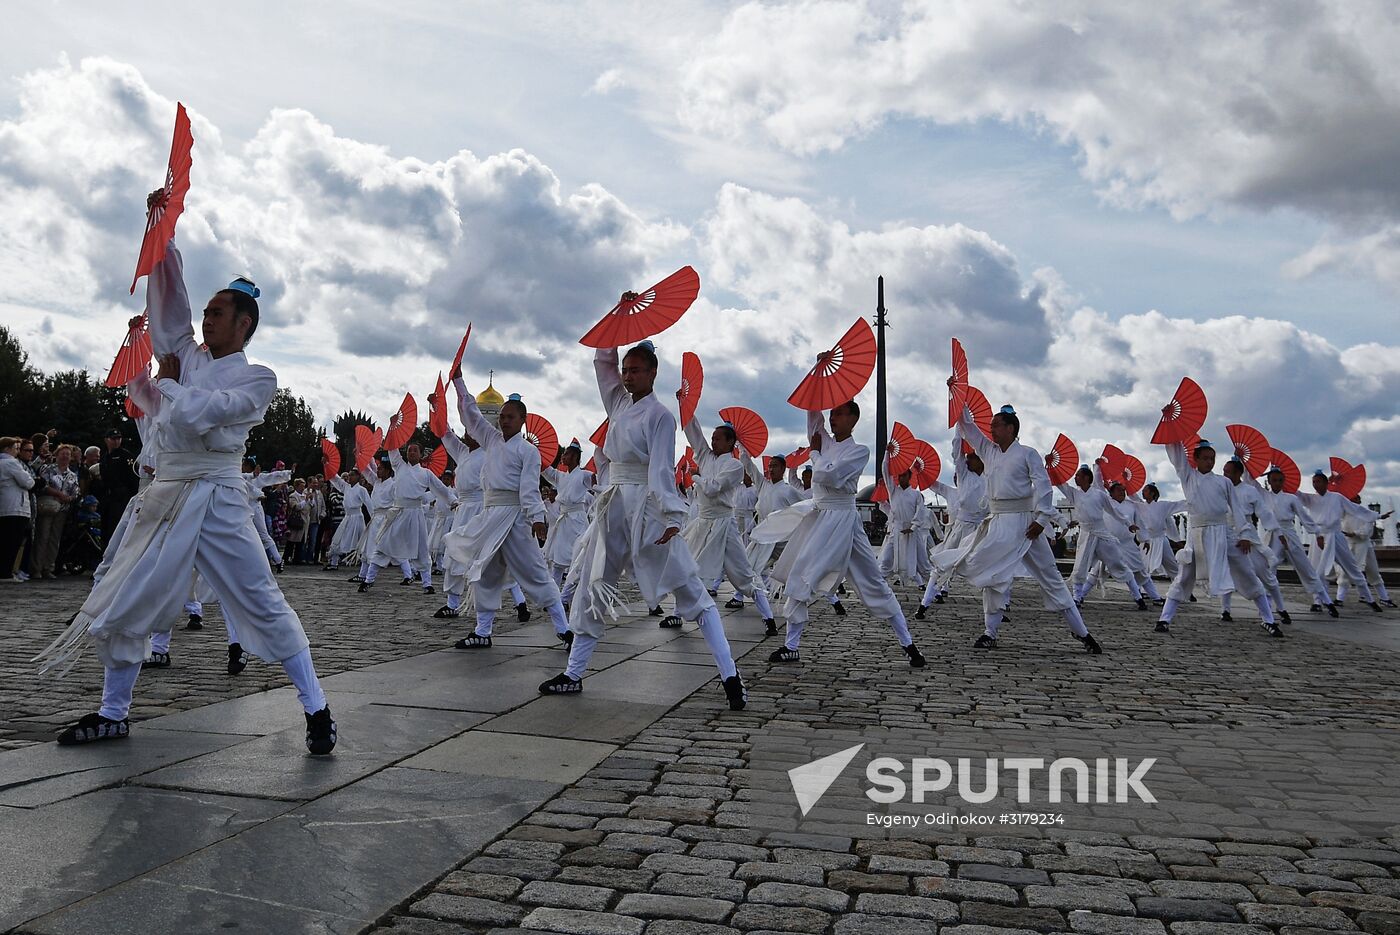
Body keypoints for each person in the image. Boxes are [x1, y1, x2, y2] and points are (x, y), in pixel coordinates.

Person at [39, 215, 335, 755]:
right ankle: (113, 712)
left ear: (244, 324)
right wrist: (164, 243)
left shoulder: (257, 377)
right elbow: (169, 315)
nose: (207, 320)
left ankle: (316, 706)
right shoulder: (189, 356)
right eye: (207, 312)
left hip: (219, 500)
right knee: (125, 594)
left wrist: (170, 384)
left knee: (262, 600)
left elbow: (203, 413)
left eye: (218, 313)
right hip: (166, 493)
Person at [540, 340, 746, 709]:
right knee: (593, 585)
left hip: (647, 507)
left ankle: (730, 675)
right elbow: (604, 368)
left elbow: (661, 468)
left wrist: (671, 514)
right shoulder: (618, 402)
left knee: (691, 592)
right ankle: (573, 673)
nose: (628, 376)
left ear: (653, 373)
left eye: (636, 370)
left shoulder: (660, 415)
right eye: (626, 370)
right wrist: (613, 333)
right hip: (614, 504)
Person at [764, 400, 927, 666]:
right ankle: (791, 645)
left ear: (853, 419)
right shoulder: (825, 442)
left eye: (839, 413)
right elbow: (814, 419)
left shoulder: (858, 451)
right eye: (831, 412)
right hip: (821, 518)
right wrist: (817, 382)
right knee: (800, 575)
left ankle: (908, 644)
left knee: (874, 582)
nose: (832, 417)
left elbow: (829, 476)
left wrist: (814, 455)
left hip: (843, 520)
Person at [935, 399, 1101, 653]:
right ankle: (990, 632)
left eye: (997, 425)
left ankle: (1082, 632)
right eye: (991, 426)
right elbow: (968, 428)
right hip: (999, 524)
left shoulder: (1027, 454)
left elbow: (1044, 488)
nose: (991, 430)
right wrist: (958, 399)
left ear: (1011, 428)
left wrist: (1041, 521)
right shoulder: (988, 451)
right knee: (992, 575)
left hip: (1026, 524)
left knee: (1051, 577)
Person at [444, 374, 567, 648]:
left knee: (535, 573)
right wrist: (459, 382)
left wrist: (536, 518)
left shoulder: (527, 451)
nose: (504, 420)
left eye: (510, 417)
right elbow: (472, 415)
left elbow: (529, 488)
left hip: (514, 517)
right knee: (484, 573)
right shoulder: (492, 440)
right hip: (490, 516)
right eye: (502, 416)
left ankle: (564, 628)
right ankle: (482, 631)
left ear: (522, 420)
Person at [1153, 438, 1279, 635]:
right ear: (1195, 460)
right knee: (1184, 576)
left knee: (1246, 572)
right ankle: (1164, 619)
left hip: (1224, 532)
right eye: (1205, 458)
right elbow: (1177, 457)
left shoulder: (1224, 482)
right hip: (1197, 535)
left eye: (1212, 458)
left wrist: (1245, 533)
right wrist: (1173, 435)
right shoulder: (1188, 476)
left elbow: (1236, 509)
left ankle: (1268, 619)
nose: (1209, 462)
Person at [679, 411, 778, 635]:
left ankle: (768, 617)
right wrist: (685, 407)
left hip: (724, 523)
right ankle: (676, 614)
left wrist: (695, 476)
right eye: (712, 438)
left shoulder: (734, 466)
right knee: (687, 566)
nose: (712, 441)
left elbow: (713, 489)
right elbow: (693, 433)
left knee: (743, 575)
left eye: (718, 438)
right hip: (703, 522)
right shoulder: (705, 456)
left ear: (730, 442)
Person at [916, 425, 987, 616]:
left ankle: (1000, 606)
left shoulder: (991, 476)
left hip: (982, 529)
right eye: (967, 457)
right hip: (960, 527)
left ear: (980, 457)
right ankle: (925, 603)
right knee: (942, 563)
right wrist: (960, 426)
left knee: (991, 565)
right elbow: (957, 451)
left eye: (971, 456)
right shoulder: (964, 476)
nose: (967, 460)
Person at [1058, 462, 1147, 609]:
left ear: (1086, 478)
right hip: (1086, 534)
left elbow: (1113, 511)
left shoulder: (1099, 494)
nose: (1075, 478)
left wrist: (1128, 524)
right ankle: (1077, 597)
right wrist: (1052, 469)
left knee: (1119, 564)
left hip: (1101, 533)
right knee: (1080, 567)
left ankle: (1138, 597)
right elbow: (1061, 484)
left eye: (1078, 475)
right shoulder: (1074, 493)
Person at [1296, 470, 1385, 613]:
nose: (1315, 484)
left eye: (1318, 481)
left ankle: (1369, 599)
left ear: (1326, 483)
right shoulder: (1311, 499)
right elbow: (1295, 493)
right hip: (1319, 536)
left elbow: (1355, 509)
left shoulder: (1336, 497)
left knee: (1351, 567)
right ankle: (1318, 601)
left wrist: (1377, 515)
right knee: (1317, 570)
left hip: (1335, 535)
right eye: (1313, 482)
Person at [1259, 466, 1336, 616]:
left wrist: (1317, 533)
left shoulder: (1291, 498)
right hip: (1273, 533)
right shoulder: (1263, 495)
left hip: (1289, 531)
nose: (1277, 483)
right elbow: (1250, 481)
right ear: (1268, 481)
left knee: (1305, 566)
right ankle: (1267, 606)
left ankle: (1326, 600)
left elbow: (1304, 517)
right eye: (1274, 480)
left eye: (1280, 480)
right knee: (1270, 568)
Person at [540, 440, 595, 590]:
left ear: (575, 457)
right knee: (557, 563)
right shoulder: (560, 476)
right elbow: (545, 468)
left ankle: (566, 596)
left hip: (577, 519)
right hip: (563, 521)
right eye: (563, 454)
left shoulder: (584, 475)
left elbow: (599, 482)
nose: (563, 457)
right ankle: (555, 596)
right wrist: (532, 450)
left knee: (577, 560)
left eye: (567, 454)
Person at [1335, 494, 1394, 606]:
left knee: (1373, 572)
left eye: (1358, 498)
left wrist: (1355, 533)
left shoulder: (1364, 512)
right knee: (1344, 572)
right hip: (1349, 545)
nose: (1357, 500)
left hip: (1364, 546)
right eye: (1355, 498)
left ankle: (1384, 597)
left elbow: (1368, 527)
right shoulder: (1343, 512)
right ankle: (1340, 598)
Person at [33, 443, 80, 579]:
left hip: (63, 510)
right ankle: (37, 568)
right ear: (56, 455)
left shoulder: (72, 475)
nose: (65, 456)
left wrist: (69, 498)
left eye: (68, 454)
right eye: (62, 453)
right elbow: (43, 486)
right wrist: (59, 495)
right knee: (43, 537)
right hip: (48, 508)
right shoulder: (48, 469)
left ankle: (48, 568)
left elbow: (75, 492)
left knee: (54, 540)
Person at [0, 437, 35, 581]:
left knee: (4, 540)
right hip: (16, 506)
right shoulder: (11, 463)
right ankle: (6, 572)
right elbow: (28, 481)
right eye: (16, 448)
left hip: (5, 506)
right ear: (7, 449)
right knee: (12, 541)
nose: (17, 451)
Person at [96, 429, 138, 549]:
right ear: (106, 440)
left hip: (122, 498)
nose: (116, 441)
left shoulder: (126, 456)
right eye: (113, 439)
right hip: (109, 498)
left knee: (118, 528)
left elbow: (133, 478)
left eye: (118, 438)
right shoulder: (105, 457)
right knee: (106, 529)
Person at [325, 469, 368, 570]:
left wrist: (374, 517)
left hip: (357, 517)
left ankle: (366, 563)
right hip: (347, 517)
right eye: (349, 475)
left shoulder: (361, 490)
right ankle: (334, 562)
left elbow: (369, 504)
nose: (349, 477)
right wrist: (327, 465)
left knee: (362, 540)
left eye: (352, 475)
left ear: (358, 477)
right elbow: (336, 479)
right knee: (338, 538)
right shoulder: (346, 487)